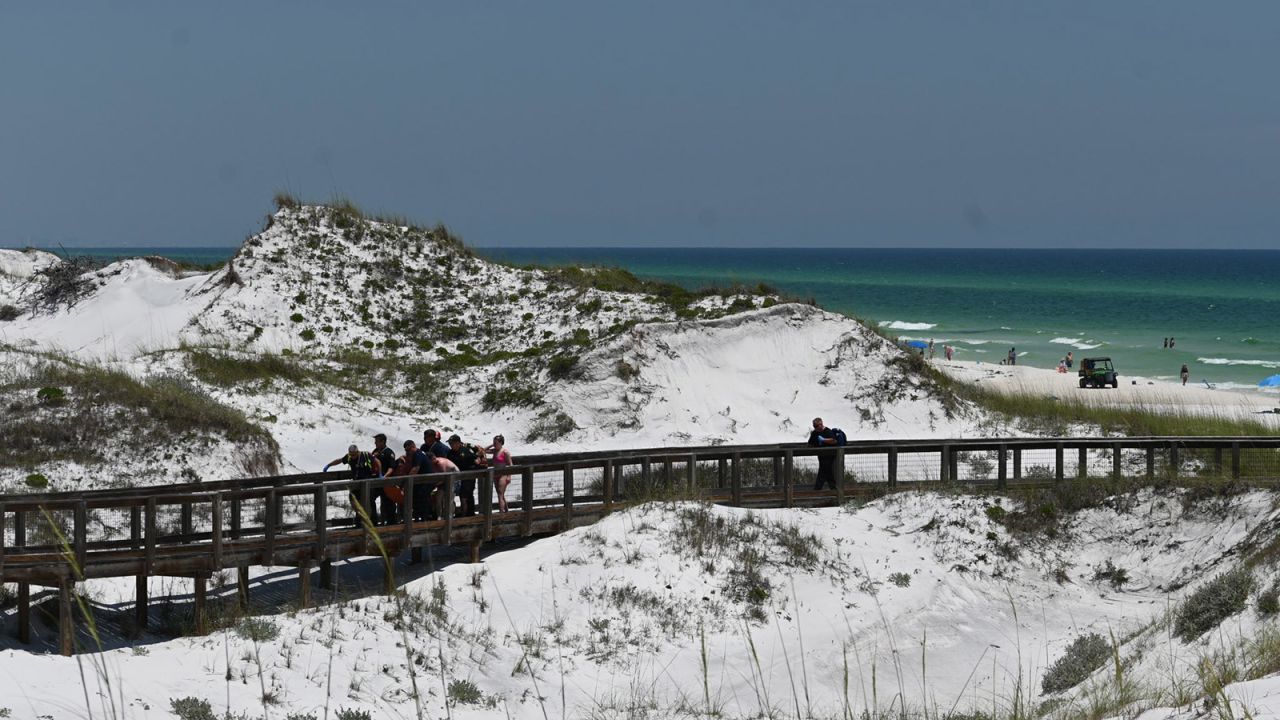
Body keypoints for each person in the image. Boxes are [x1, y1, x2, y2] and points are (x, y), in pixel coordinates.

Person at [323, 444, 383, 524]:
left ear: (357, 452)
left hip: (368, 482)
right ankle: (359, 522)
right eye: (351, 454)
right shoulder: (349, 457)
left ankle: (373, 522)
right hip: (356, 484)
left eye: (354, 454)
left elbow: (377, 461)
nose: (353, 456)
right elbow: (340, 460)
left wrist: (380, 474)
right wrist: (329, 465)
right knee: (354, 500)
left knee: (370, 502)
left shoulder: (366, 455)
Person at [387, 440, 433, 520]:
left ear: (413, 446)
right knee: (417, 500)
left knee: (421, 501)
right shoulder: (418, 454)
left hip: (425, 482)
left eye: (408, 450)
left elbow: (416, 468)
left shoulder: (417, 454)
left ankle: (424, 520)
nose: (408, 452)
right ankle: (419, 519)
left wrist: (407, 481)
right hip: (422, 482)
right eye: (406, 450)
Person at [447, 434, 487, 517]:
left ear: (458, 443)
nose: (450, 445)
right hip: (457, 478)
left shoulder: (465, 451)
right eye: (450, 443)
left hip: (469, 476)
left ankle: (466, 515)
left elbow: (477, 459)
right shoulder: (450, 453)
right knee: (464, 495)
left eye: (452, 443)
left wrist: (477, 463)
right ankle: (468, 514)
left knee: (465, 496)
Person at [370, 433, 398, 524]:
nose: (375, 443)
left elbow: (391, 467)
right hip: (376, 482)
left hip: (387, 482)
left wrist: (384, 476)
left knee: (388, 503)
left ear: (383, 441)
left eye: (377, 441)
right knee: (370, 499)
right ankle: (373, 521)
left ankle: (391, 523)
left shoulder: (389, 452)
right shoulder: (375, 451)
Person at [808, 417, 839, 491]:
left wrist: (824, 440)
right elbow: (810, 443)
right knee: (828, 473)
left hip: (829, 455)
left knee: (822, 473)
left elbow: (834, 441)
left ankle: (817, 491)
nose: (817, 427)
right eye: (815, 426)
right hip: (821, 456)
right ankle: (834, 490)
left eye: (818, 425)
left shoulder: (828, 431)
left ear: (821, 424)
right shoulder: (814, 433)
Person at [487, 434, 513, 512]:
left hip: (503, 474)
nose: (495, 444)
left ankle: (501, 511)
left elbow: (510, 464)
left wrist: (509, 476)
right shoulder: (494, 451)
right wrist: (492, 445)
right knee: (501, 494)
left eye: (496, 442)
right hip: (496, 474)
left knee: (500, 494)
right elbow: (483, 450)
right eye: (494, 442)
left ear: (501, 442)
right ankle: (506, 511)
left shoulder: (505, 452)